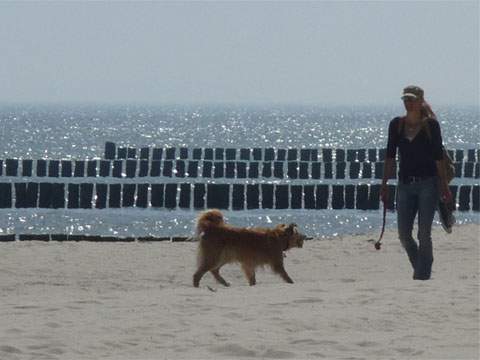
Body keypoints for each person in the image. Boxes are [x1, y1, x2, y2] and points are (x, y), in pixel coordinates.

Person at [380, 85, 452, 280]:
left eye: (412, 99)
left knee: (424, 233)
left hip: (429, 184)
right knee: (404, 235)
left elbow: (438, 158)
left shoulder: (431, 126)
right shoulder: (396, 125)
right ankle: (422, 266)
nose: (408, 103)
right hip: (404, 185)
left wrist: (444, 186)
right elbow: (389, 157)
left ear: (420, 101)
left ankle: (422, 276)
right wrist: (384, 184)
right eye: (405, 100)